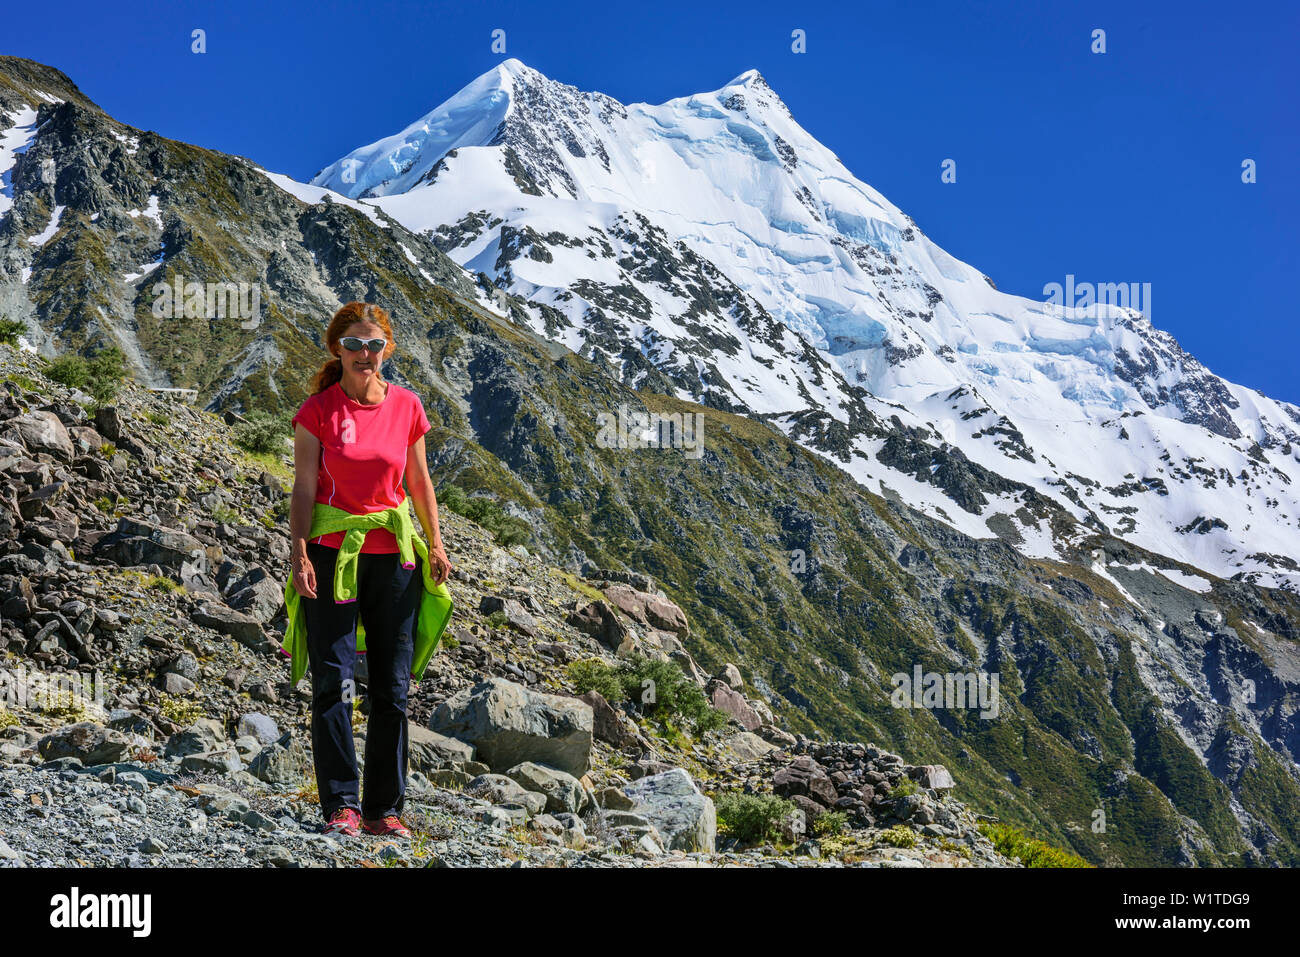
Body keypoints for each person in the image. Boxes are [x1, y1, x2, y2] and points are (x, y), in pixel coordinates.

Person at [287, 301, 453, 838]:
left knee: (392, 687)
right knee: (333, 682)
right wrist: (298, 551)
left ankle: (385, 810)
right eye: (355, 344)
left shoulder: (407, 405)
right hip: (333, 554)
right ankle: (341, 804)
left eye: (374, 344)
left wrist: (436, 541)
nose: (365, 354)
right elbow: (305, 488)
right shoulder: (317, 411)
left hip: (397, 559)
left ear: (389, 349)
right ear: (337, 348)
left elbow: (419, 482)